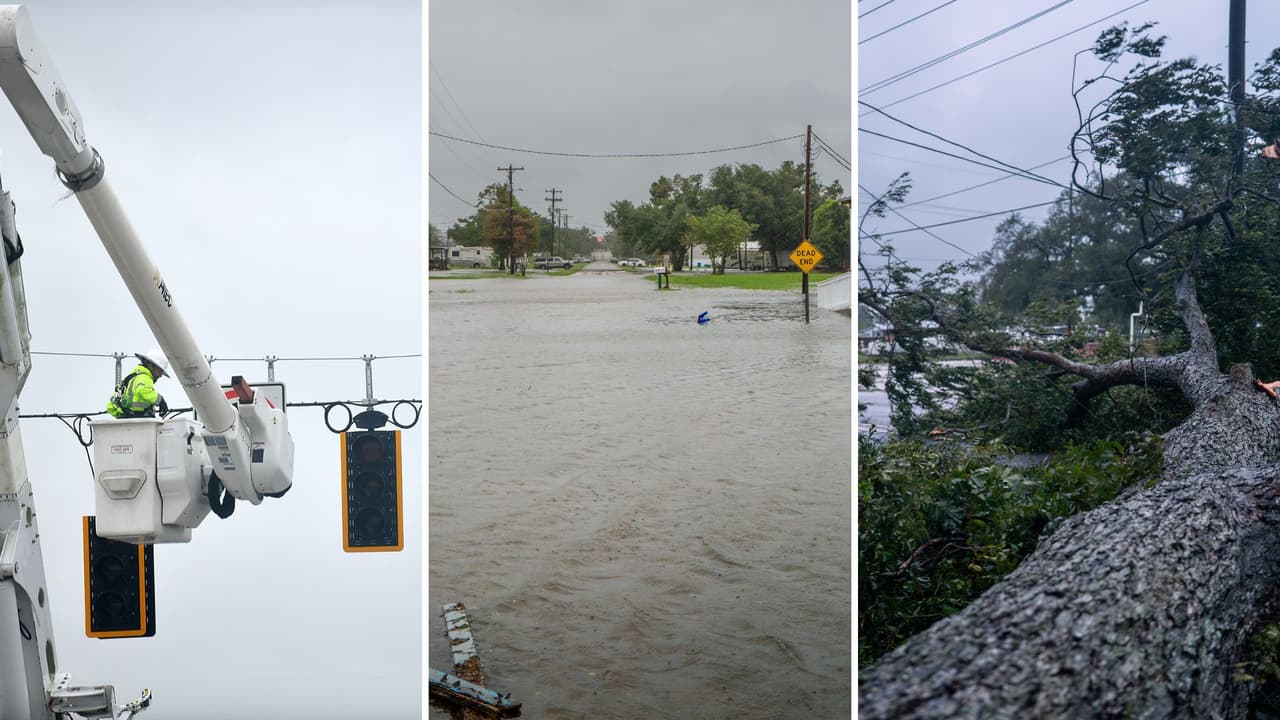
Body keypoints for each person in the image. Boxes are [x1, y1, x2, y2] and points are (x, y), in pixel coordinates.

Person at [106, 347, 171, 418]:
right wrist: (160, 401)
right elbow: (142, 390)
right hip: (140, 423)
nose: (160, 375)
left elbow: (110, 407)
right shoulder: (145, 377)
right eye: (160, 371)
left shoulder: (132, 378)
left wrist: (123, 416)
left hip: (129, 423)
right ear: (151, 366)